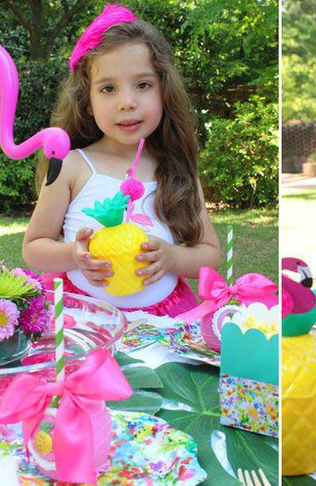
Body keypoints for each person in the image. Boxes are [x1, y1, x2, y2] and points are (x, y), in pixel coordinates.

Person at [23, 4, 220, 317]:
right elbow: (34, 247)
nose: (127, 102)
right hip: (84, 317)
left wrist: (171, 258)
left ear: (163, 92)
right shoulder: (72, 166)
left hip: (162, 321)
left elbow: (210, 255)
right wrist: (75, 254)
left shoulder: (176, 170)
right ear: (87, 102)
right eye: (108, 88)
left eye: (143, 85)